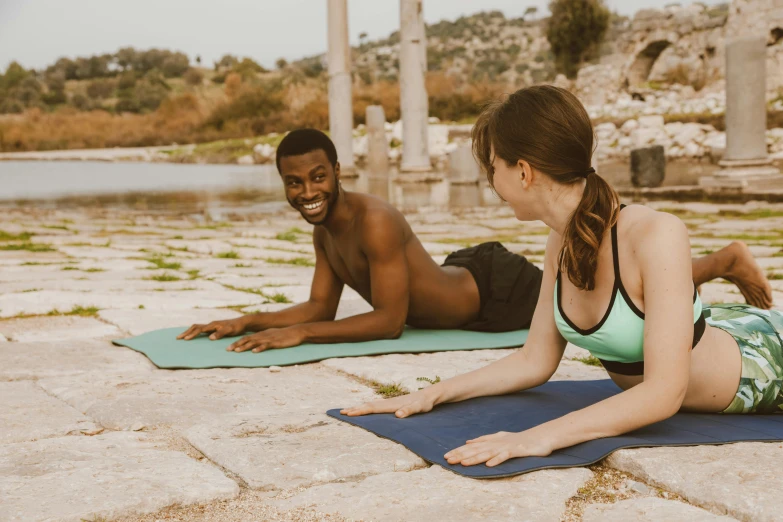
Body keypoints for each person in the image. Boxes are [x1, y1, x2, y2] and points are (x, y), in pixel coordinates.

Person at [340, 85, 783, 468]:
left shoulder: (655, 232)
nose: (492, 180)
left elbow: (664, 392)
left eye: (493, 166)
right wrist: (433, 394)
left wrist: (541, 436)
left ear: (524, 171)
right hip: (726, 331)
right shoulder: (561, 239)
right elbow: (535, 360)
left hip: (764, 364)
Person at [178, 128, 772, 354]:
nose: (307, 190)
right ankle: (717, 261)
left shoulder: (374, 219)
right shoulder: (326, 231)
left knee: (609, 281)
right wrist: (249, 319)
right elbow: (320, 306)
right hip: (460, 272)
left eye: (318, 177)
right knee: (601, 280)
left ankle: (720, 261)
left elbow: (389, 322)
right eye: (294, 182)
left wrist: (303, 333)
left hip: (494, 294)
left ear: (338, 172)